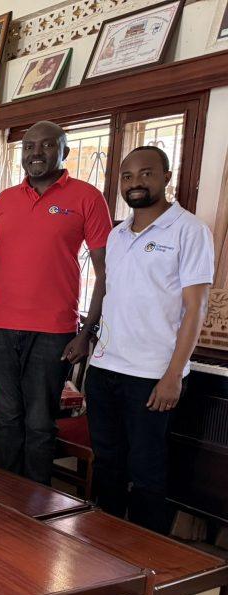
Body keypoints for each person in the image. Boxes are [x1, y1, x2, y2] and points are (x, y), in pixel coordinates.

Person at [0, 121, 112, 484]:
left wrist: (87, 331)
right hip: (1, 329)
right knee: (7, 419)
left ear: (64, 151)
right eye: (29, 146)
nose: (36, 153)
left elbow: (106, 272)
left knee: (38, 423)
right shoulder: (4, 200)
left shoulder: (87, 197)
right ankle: (6, 498)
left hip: (53, 332)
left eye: (47, 145)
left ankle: (35, 504)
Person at [86, 146, 214, 534]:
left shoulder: (189, 230)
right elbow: (114, 297)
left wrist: (174, 375)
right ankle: (104, 545)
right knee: (107, 464)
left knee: (147, 471)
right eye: (127, 176)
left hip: (152, 376)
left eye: (146, 173)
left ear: (166, 177)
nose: (136, 183)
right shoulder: (117, 234)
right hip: (105, 369)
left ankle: (145, 557)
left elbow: (196, 308)